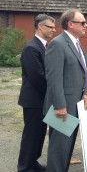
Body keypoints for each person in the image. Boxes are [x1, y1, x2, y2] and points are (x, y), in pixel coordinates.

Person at [44, 9, 87, 171]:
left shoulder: (76, 43)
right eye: (82, 22)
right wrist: (60, 105)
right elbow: (54, 79)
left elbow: (82, 72)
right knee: (59, 151)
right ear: (71, 24)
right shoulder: (58, 44)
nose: (86, 25)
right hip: (62, 108)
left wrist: (85, 93)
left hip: (76, 105)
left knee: (67, 149)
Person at [17, 14, 55, 172]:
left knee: (39, 135)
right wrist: (53, 92)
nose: (53, 30)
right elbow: (37, 76)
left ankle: (33, 162)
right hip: (33, 100)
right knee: (31, 135)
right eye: (50, 27)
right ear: (40, 26)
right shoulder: (31, 47)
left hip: (42, 100)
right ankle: (25, 167)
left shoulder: (44, 46)